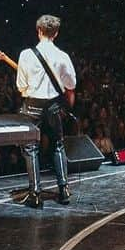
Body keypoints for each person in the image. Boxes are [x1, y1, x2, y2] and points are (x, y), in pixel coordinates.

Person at [16, 14, 77, 207]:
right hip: (52, 105)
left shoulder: (26, 55)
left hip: (32, 105)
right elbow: (71, 83)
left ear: (39, 31)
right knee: (57, 145)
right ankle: (64, 189)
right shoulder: (62, 56)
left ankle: (35, 194)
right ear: (56, 33)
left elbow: (21, 85)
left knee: (31, 148)